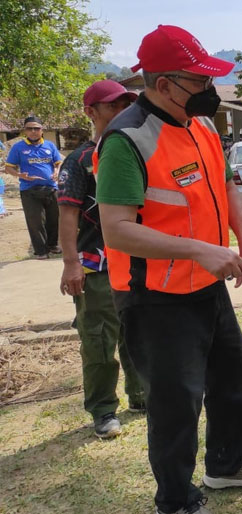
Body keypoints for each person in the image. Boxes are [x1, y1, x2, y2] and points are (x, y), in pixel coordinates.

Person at [95, 25, 242, 514]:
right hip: (154, 295)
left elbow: (226, 189)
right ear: (163, 85)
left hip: (205, 286)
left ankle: (228, 464)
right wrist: (199, 250)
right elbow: (115, 229)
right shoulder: (126, 140)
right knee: (177, 400)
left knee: (236, 373)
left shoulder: (200, 127)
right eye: (199, 82)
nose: (209, 92)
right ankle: (176, 501)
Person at [57, 80, 144, 439]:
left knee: (138, 333)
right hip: (96, 267)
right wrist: (71, 263)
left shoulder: (135, 150)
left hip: (137, 262)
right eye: (113, 106)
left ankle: (141, 395)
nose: (123, 112)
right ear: (91, 113)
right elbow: (67, 215)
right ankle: (103, 409)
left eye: (127, 105)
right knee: (99, 340)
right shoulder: (79, 160)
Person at [5, 116, 63, 259]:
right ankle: (41, 251)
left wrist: (56, 171)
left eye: (36, 128)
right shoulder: (18, 147)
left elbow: (58, 162)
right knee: (35, 222)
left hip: (50, 188)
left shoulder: (50, 146)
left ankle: (52, 245)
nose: (33, 131)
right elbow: (8, 168)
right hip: (29, 190)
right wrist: (20, 175)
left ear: (41, 130)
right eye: (29, 128)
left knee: (53, 219)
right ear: (25, 131)